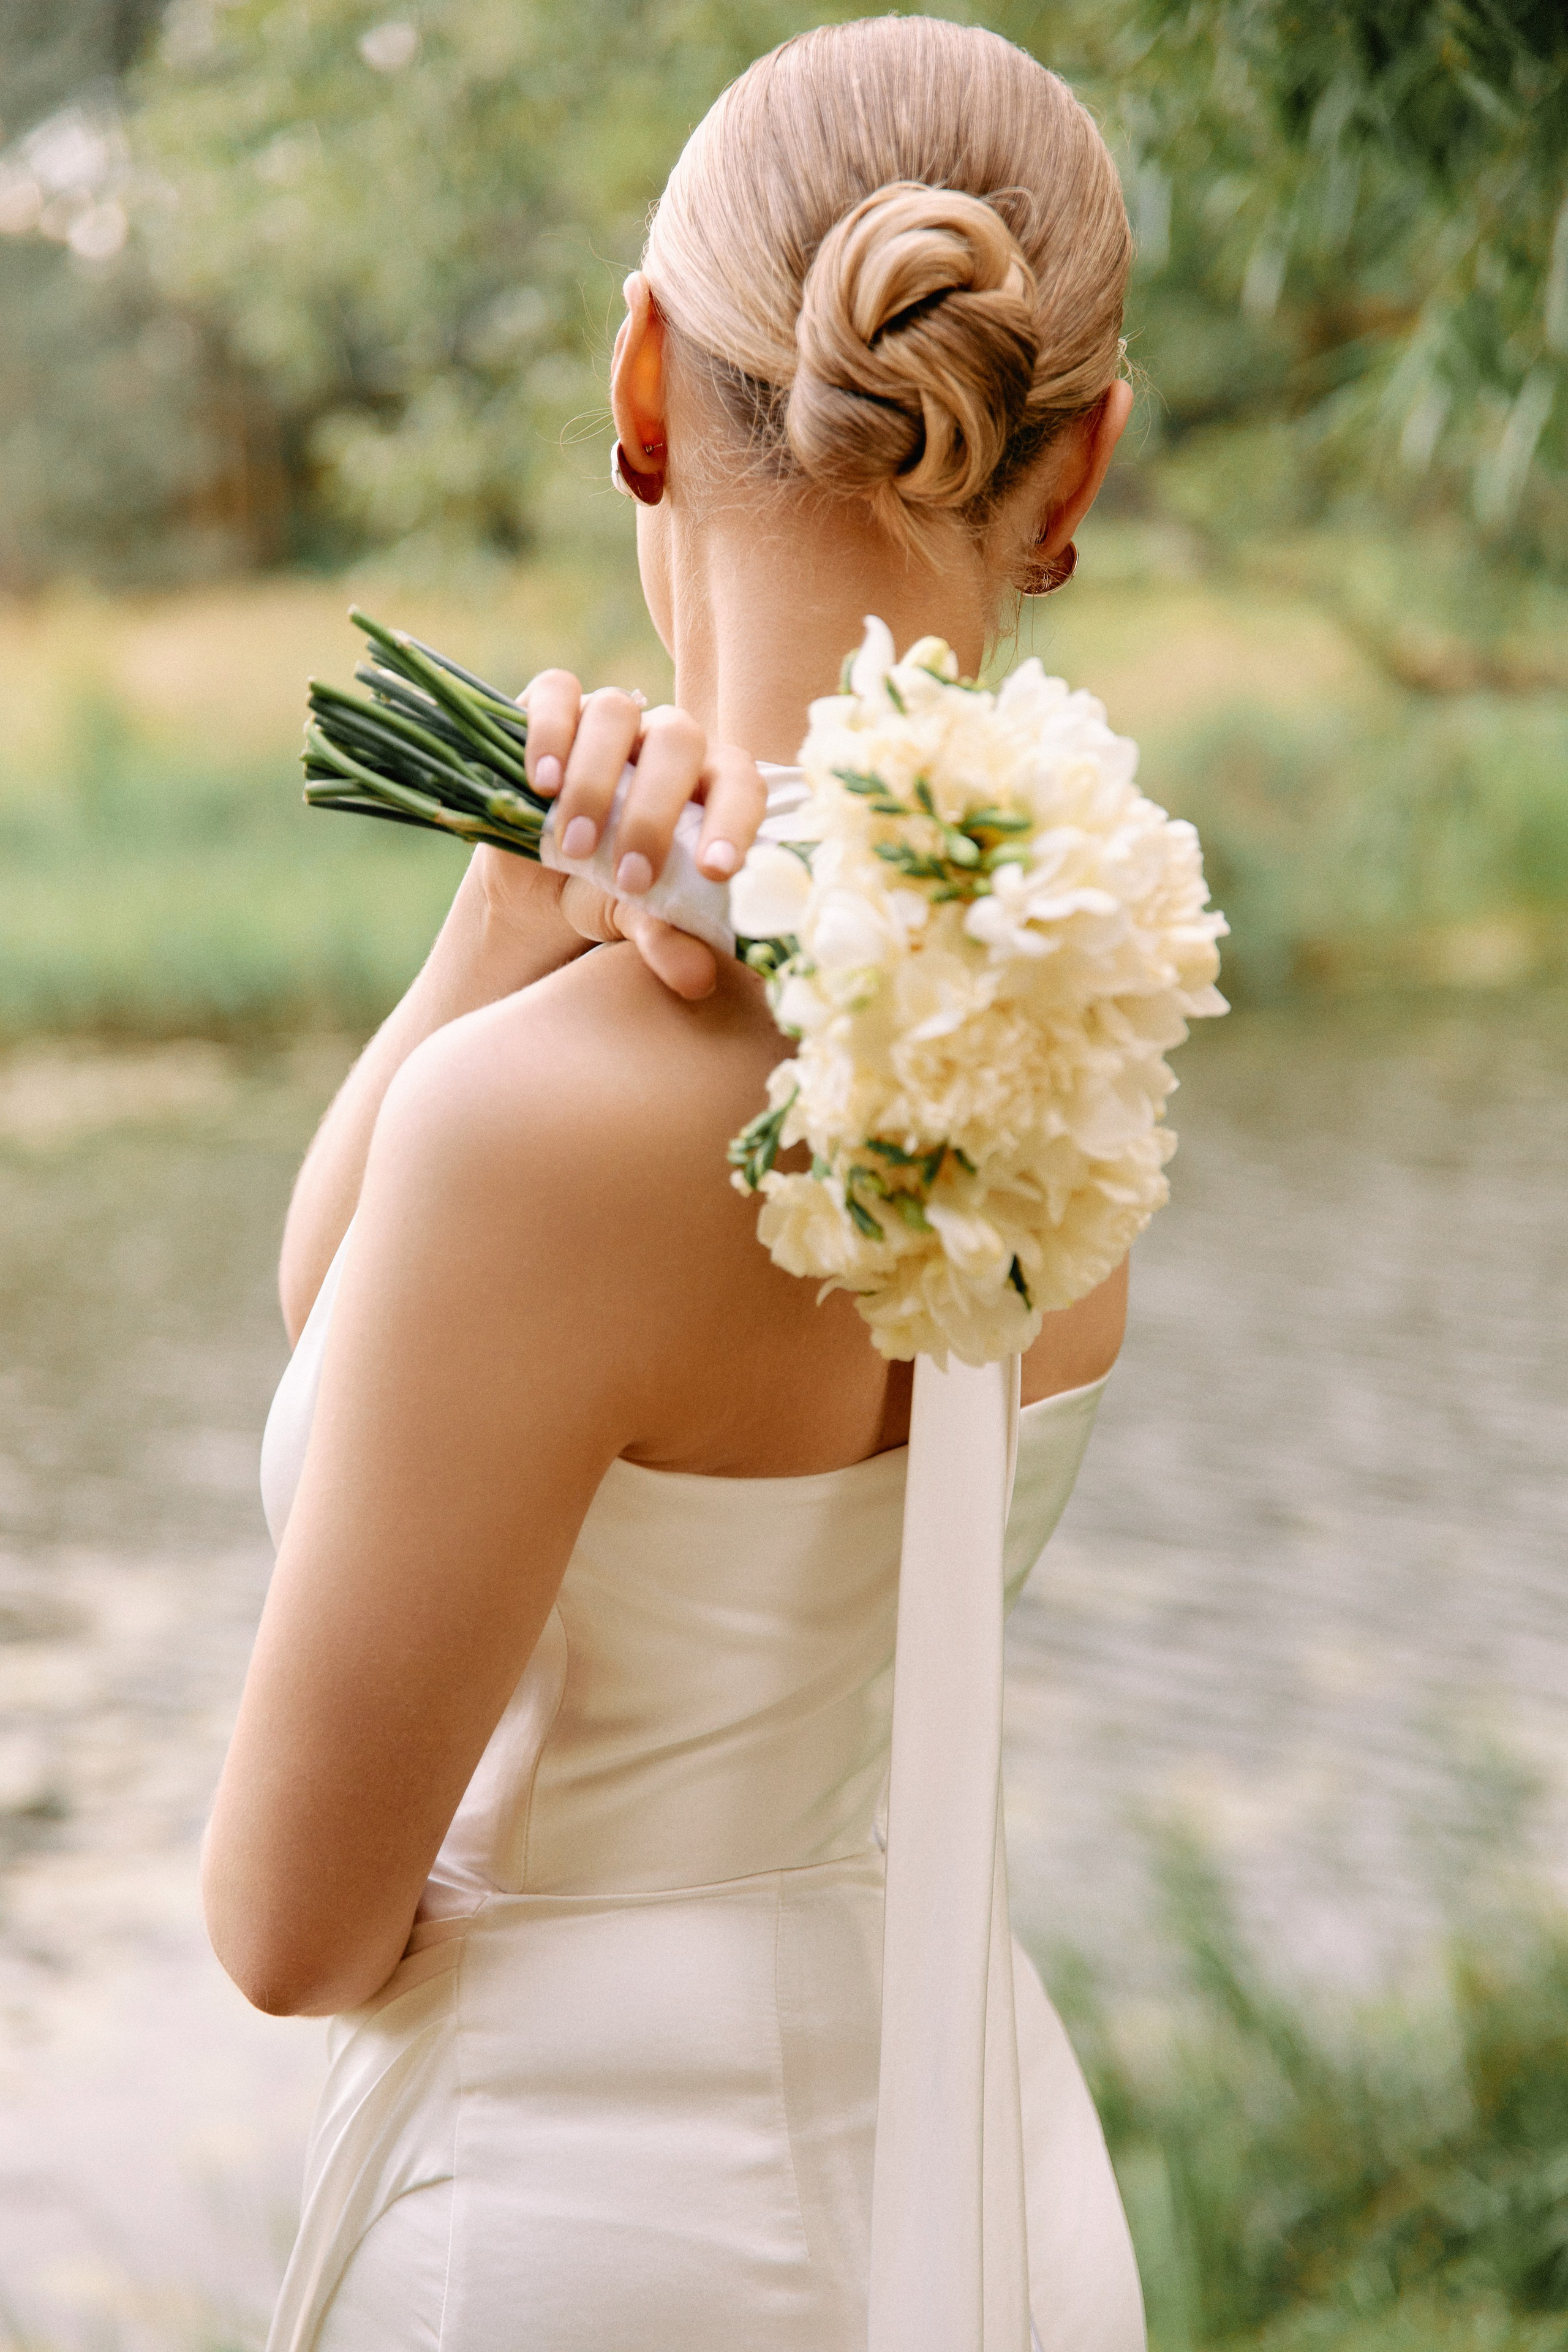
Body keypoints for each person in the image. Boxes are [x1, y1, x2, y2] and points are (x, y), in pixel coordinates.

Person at [209, 17, 1148, 2348]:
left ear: (642, 384)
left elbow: (290, 1933)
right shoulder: (1081, 1010)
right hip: (959, 2158)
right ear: (1075, 471)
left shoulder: (542, 1134)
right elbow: (368, 1306)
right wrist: (509, 916)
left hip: (582, 2226)